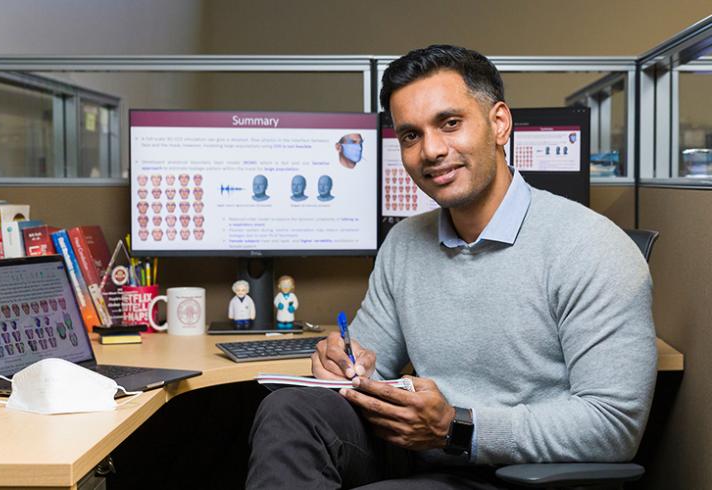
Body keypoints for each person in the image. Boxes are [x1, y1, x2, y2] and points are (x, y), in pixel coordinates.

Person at [247, 45, 656, 489]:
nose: (431, 151)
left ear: (499, 123)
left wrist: (458, 427)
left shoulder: (589, 246)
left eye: (450, 123)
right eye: (411, 135)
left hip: (515, 472)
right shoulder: (405, 242)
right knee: (289, 409)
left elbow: (614, 425)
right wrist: (343, 365)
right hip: (421, 452)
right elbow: (371, 368)